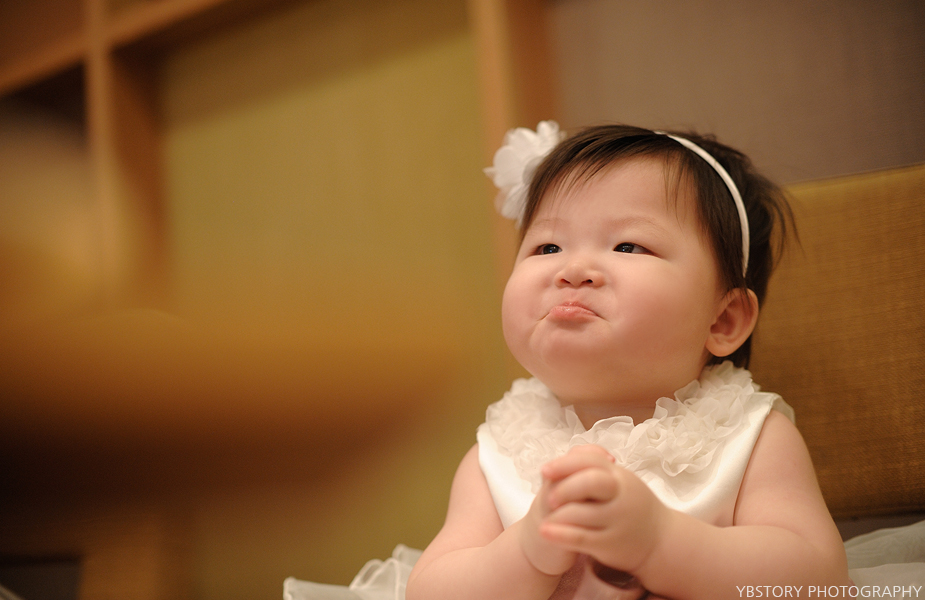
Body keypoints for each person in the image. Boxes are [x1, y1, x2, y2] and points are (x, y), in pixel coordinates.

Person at [402, 122, 852, 600]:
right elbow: (429, 591)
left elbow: (820, 579)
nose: (573, 270)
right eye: (548, 247)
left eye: (628, 246)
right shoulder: (500, 452)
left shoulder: (750, 435)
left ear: (723, 320)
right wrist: (527, 552)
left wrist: (660, 542)